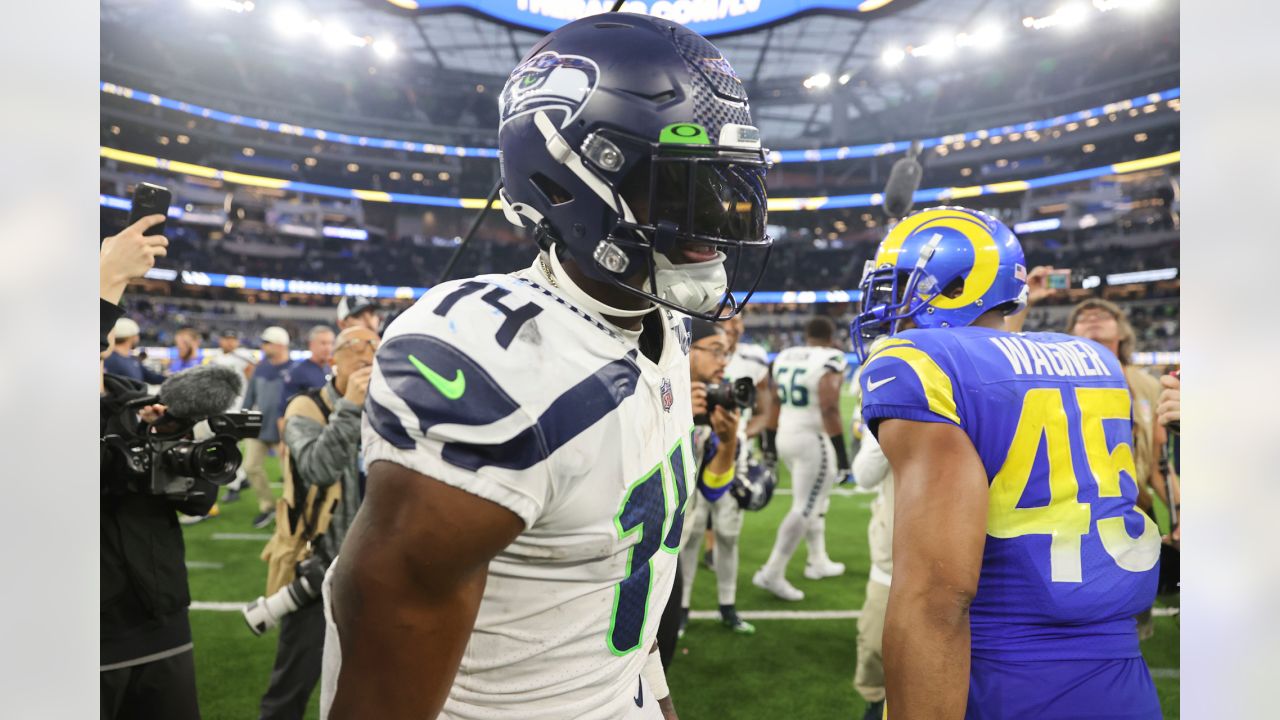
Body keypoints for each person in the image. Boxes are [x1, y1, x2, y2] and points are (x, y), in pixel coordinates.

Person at [322, 14, 771, 720]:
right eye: (685, 188)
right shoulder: (489, 355)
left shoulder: (667, 325)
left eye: (729, 186)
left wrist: (652, 701)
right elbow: (386, 648)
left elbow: (626, 581)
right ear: (568, 177)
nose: (717, 220)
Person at [851, 206, 1161, 719]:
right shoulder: (1096, 359)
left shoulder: (921, 363)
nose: (890, 305)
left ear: (953, 287)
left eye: (902, 285)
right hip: (1120, 675)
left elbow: (937, 596)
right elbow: (1001, 354)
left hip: (1001, 676)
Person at [100, 214, 208, 720]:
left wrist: (179, 441)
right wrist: (107, 279)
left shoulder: (142, 405)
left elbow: (199, 500)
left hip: (160, 618)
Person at [257, 326, 379, 720]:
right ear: (332, 358)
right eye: (356, 349)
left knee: (370, 687)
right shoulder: (304, 408)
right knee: (290, 690)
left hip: (375, 570)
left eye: (375, 349)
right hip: (318, 564)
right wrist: (350, 408)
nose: (367, 356)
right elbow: (318, 469)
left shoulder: (389, 409)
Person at [753, 316, 849, 602]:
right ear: (831, 338)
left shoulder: (785, 355)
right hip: (812, 439)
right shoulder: (831, 357)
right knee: (805, 507)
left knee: (814, 501)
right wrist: (843, 456)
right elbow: (830, 405)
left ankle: (817, 560)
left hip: (786, 434)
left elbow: (774, 399)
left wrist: (768, 442)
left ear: (806, 336)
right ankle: (772, 571)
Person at [676, 320, 752, 635]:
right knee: (685, 542)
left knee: (724, 537)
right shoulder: (657, 386)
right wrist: (679, 415)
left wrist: (729, 441)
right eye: (716, 352)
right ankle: (678, 608)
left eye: (726, 353)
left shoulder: (717, 395)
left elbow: (711, 487)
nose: (724, 361)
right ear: (686, 348)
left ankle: (726, 606)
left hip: (695, 496)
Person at [243, 327, 293, 529]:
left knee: (290, 474)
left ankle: (291, 509)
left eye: (267, 343)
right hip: (260, 427)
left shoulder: (295, 369)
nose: (263, 347)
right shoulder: (260, 368)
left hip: (285, 430)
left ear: (280, 344)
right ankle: (268, 506)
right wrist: (242, 417)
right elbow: (250, 396)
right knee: (250, 466)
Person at [211, 329, 258, 503]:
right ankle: (242, 478)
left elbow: (253, 375)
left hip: (238, 408)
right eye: (227, 339)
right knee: (227, 444)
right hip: (223, 407)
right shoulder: (216, 358)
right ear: (221, 340)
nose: (230, 343)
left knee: (229, 445)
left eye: (233, 339)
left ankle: (234, 486)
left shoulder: (243, 356)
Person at [281, 325, 334, 413]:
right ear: (311, 344)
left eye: (331, 343)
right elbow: (284, 408)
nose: (328, 348)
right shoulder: (298, 371)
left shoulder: (332, 370)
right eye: (323, 343)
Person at [103, 317, 165, 384]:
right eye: (137, 335)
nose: (138, 338)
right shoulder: (112, 360)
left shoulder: (131, 360)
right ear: (131, 337)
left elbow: (153, 378)